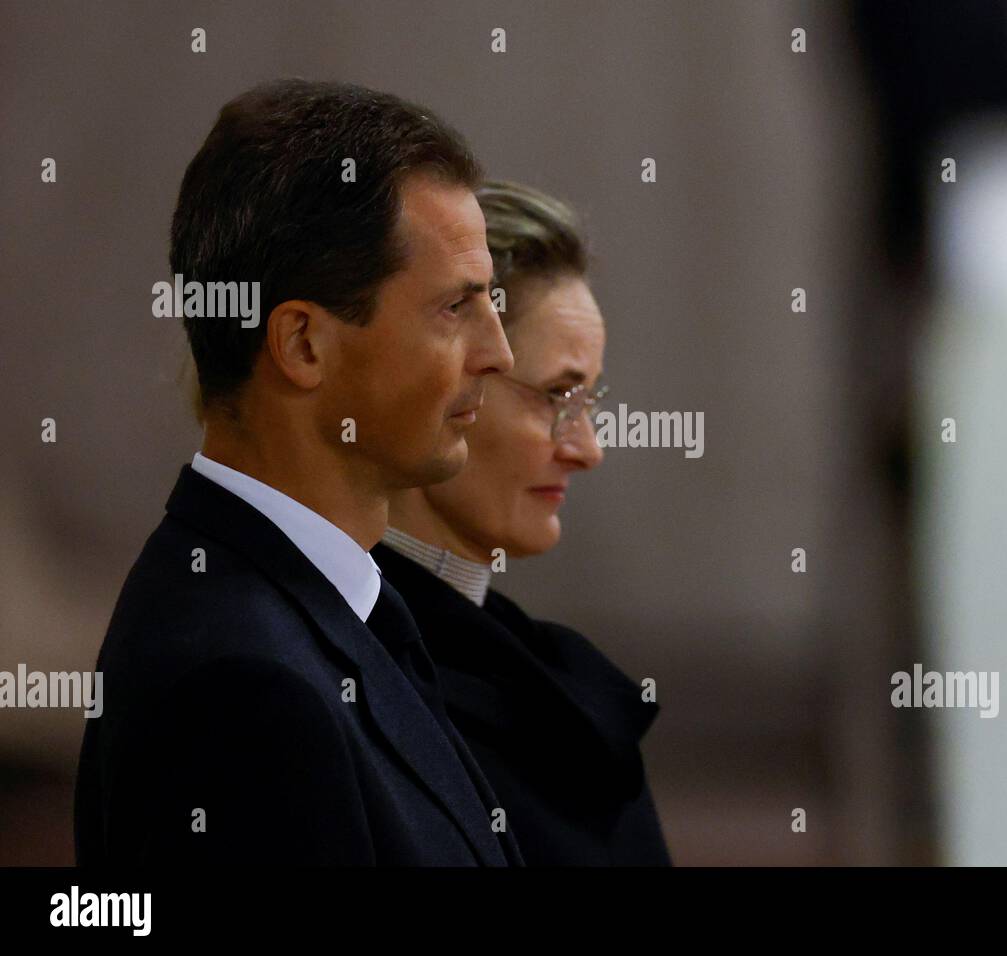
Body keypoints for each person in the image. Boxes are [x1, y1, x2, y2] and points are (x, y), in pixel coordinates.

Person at [74, 80, 522, 865]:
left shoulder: (328, 609)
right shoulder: (240, 689)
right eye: (455, 308)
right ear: (304, 345)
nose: (499, 352)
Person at [375, 181, 672, 865]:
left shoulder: (536, 683)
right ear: (446, 381)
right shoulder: (347, 677)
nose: (587, 450)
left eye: (589, 400)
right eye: (556, 396)